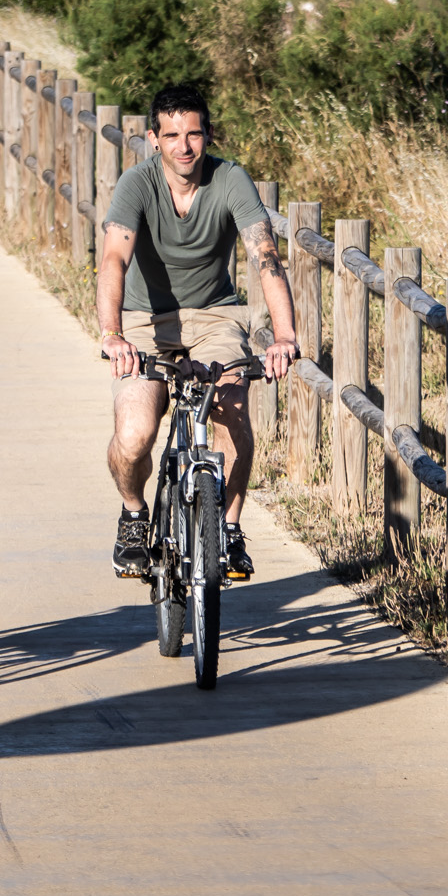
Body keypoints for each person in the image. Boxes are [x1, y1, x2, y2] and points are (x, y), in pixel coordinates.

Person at [97, 83, 297, 581]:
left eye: (193, 134)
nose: (183, 146)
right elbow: (114, 259)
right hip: (146, 321)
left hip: (215, 316)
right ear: (153, 138)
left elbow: (265, 257)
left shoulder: (230, 179)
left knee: (231, 417)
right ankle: (134, 513)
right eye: (171, 135)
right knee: (135, 433)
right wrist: (112, 332)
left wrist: (284, 335)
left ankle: (228, 529)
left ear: (207, 134)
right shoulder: (136, 184)